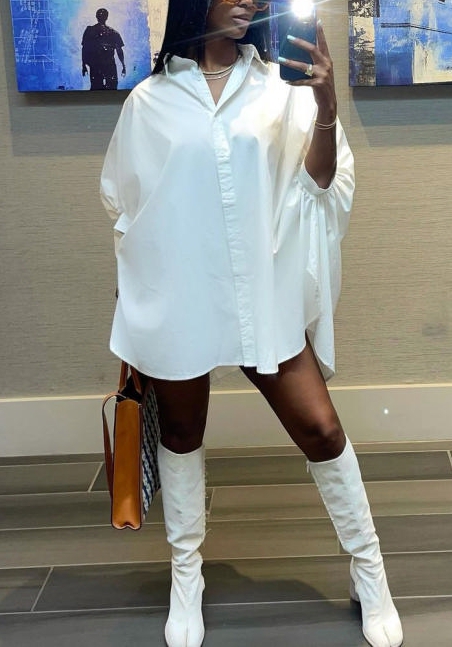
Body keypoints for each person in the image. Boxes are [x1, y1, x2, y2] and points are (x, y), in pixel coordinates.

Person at [100, 1, 403, 646]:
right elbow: (125, 203)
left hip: (261, 291)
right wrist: (141, 298)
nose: (249, 0)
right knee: (181, 432)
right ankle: (187, 577)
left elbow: (321, 182)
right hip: (182, 296)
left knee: (321, 429)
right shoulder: (149, 102)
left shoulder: (277, 87)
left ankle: (370, 571)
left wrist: (326, 103)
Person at [82, 8, 126, 90]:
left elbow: (85, 49)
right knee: (108, 88)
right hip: (104, 64)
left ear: (96, 16)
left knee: (99, 88)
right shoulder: (113, 32)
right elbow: (119, 50)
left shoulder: (90, 31)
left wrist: (84, 65)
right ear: (107, 17)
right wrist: (123, 65)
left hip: (100, 65)